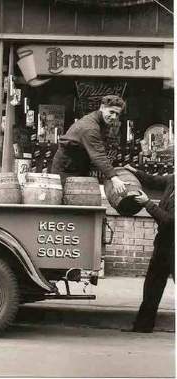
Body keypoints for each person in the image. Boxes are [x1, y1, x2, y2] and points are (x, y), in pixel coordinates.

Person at [122, 164, 174, 333]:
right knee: (152, 285)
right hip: (165, 243)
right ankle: (143, 326)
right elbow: (152, 181)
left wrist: (147, 203)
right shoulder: (172, 180)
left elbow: (169, 221)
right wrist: (134, 171)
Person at [51, 95, 127, 195]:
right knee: (67, 201)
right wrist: (114, 178)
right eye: (111, 112)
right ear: (102, 107)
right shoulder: (90, 127)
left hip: (78, 167)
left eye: (117, 114)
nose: (114, 117)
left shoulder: (100, 122)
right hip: (66, 170)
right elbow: (98, 156)